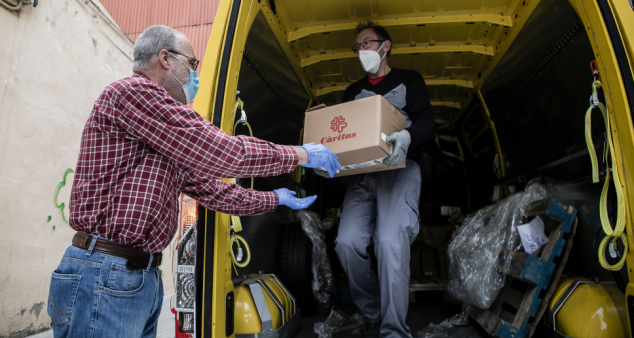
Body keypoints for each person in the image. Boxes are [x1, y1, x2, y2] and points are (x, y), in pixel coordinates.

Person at [46, 25, 340, 338]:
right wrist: (300, 154)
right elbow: (221, 150)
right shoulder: (133, 94)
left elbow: (214, 192)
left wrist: (277, 199)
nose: (194, 75)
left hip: (134, 277)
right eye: (192, 63)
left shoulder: (160, 136)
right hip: (107, 272)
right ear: (165, 59)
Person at [321, 21, 435, 338]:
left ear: (385, 46)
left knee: (389, 241)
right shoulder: (352, 92)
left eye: (367, 43)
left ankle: (393, 330)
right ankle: (373, 312)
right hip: (363, 175)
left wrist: (408, 138)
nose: (361, 51)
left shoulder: (409, 80)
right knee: (347, 243)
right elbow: (343, 137)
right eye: (357, 46)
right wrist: (328, 159)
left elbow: (427, 120)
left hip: (400, 168)